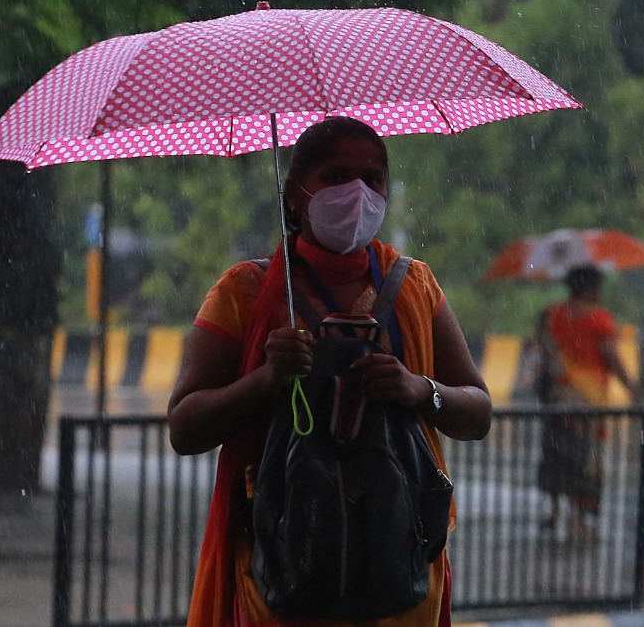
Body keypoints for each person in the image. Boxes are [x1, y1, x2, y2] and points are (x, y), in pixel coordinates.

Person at [168, 116, 492, 627]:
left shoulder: (415, 287)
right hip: (283, 573)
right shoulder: (245, 292)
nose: (358, 193)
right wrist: (265, 381)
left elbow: (478, 412)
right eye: (337, 177)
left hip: (400, 577)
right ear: (294, 196)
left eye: (373, 178)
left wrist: (417, 389)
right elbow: (184, 427)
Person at [534, 264, 636, 539]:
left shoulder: (554, 315)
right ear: (590, 287)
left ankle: (554, 511)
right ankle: (579, 521)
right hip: (588, 404)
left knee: (557, 455)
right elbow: (610, 356)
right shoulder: (599, 319)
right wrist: (630, 385)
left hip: (559, 400)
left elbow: (545, 350)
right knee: (587, 461)